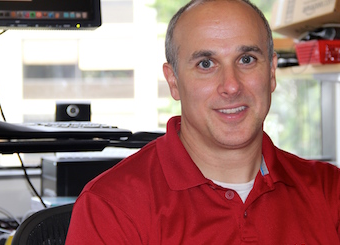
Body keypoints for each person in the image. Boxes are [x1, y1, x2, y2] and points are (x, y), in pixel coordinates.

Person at [65, 0, 340, 244]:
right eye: (206, 64)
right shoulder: (110, 206)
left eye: (246, 59)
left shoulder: (331, 192)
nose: (231, 86)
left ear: (270, 72)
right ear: (173, 81)